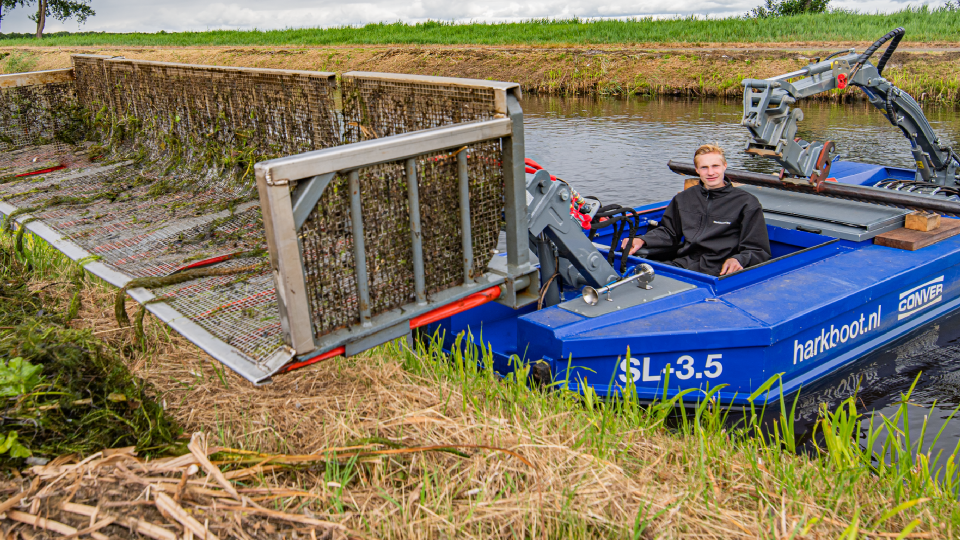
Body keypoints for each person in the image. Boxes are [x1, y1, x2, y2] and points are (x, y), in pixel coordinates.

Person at [620, 144, 771, 276]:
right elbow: (669, 232)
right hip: (683, 265)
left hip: (720, 271)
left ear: (725, 166)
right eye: (704, 167)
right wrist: (642, 240)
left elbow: (758, 250)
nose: (710, 173)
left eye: (715, 166)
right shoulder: (684, 199)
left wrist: (738, 259)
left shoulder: (746, 203)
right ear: (697, 170)